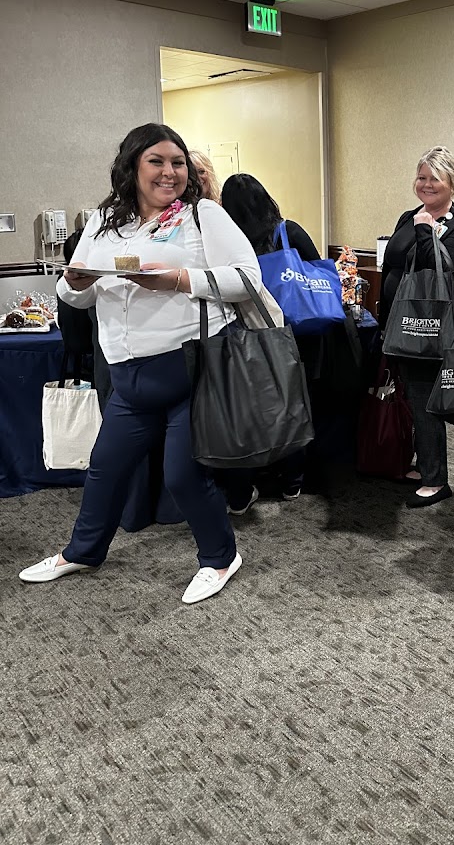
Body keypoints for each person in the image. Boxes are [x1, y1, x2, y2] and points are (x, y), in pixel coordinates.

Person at [19, 123, 261, 604]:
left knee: (183, 476)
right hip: (129, 374)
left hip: (191, 367)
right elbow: (75, 294)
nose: (170, 172)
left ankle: (220, 557)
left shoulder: (202, 215)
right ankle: (82, 551)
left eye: (178, 163)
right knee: (105, 469)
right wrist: (75, 282)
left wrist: (178, 279)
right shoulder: (105, 221)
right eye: (157, 161)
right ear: (132, 166)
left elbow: (248, 278)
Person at [379, 146, 454, 506]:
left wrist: (425, 231)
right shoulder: (408, 216)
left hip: (430, 327)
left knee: (423, 400)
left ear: (451, 182)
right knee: (410, 397)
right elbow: (392, 261)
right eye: (421, 177)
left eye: (435, 178)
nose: (426, 184)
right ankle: (423, 464)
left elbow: (438, 266)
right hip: (400, 321)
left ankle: (436, 480)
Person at [220, 172, 319, 505]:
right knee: (291, 405)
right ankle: (293, 481)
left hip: (245, 337)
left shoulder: (229, 245)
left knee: (250, 409)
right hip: (291, 334)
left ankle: (250, 478)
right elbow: (319, 272)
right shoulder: (288, 232)